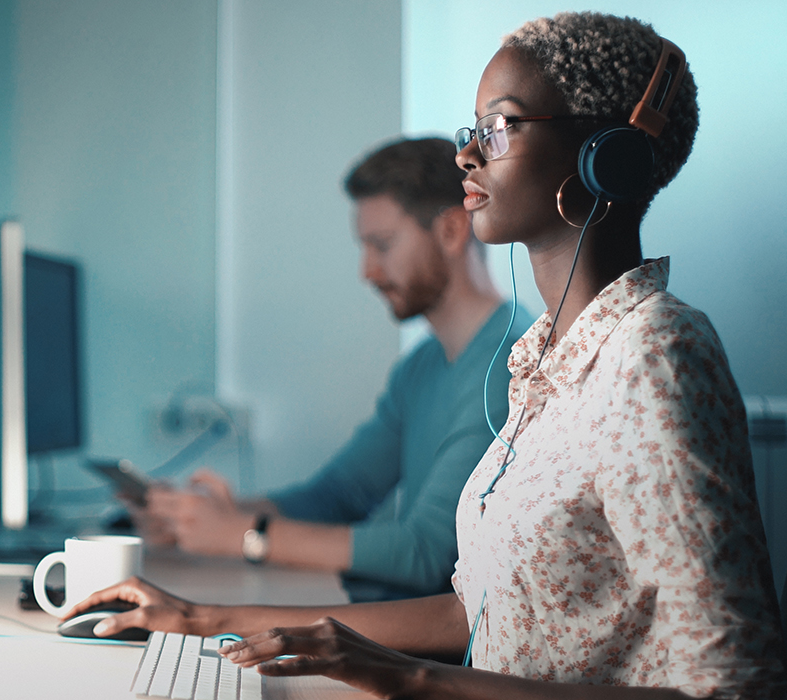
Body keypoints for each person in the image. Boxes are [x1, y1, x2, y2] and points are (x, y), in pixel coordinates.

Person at [70, 11, 787, 698]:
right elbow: (472, 613)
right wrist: (202, 619)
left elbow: (732, 686)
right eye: (473, 129)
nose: (467, 154)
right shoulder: (549, 360)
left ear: (605, 155)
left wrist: (409, 680)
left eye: (500, 127)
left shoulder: (655, 354)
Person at [134, 137, 531, 602]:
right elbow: (340, 495)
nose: (367, 271)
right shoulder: (422, 366)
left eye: (381, 245)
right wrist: (206, 518)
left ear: (450, 231)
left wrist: (245, 534)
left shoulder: (511, 363)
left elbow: (428, 553)